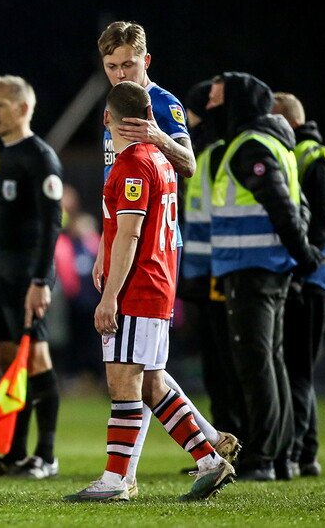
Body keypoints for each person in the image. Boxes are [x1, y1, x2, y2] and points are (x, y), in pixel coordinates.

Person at [64, 81, 235, 502]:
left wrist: (109, 298)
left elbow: (128, 235)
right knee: (151, 385)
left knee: (124, 384)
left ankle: (117, 479)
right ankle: (210, 461)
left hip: (138, 288)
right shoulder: (159, 158)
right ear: (150, 118)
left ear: (108, 119)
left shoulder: (132, 164)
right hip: (158, 285)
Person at [206, 72, 323, 481]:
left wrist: (304, 254)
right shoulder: (276, 144)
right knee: (272, 362)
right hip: (270, 270)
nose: (208, 108)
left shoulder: (249, 145)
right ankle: (284, 457)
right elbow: (300, 207)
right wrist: (301, 253)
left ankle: (264, 458)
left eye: (217, 100)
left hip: (252, 269)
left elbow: (281, 205)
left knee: (256, 366)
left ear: (237, 104)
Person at [0, 75, 61, 479]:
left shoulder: (39, 157)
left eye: (0, 104)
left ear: (23, 108)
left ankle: (45, 455)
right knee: (8, 361)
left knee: (36, 360)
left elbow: (51, 225)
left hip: (28, 271)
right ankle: (14, 453)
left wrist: (41, 281)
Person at [273, 92, 325, 478]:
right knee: (298, 369)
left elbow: (317, 228)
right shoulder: (308, 157)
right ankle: (305, 453)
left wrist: (302, 266)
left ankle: (299, 453)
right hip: (317, 277)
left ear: (291, 124)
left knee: (297, 369)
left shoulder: (313, 161)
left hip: (314, 280)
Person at [178, 81, 242, 436]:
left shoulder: (216, 151)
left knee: (228, 361)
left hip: (219, 271)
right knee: (216, 362)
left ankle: (238, 437)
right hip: (203, 271)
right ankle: (225, 435)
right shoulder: (205, 149)